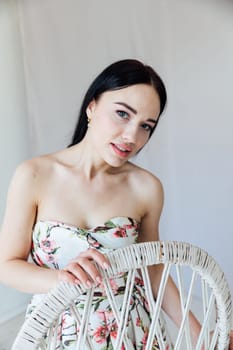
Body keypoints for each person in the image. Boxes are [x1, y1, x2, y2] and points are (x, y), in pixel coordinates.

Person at [0, 59, 232, 349]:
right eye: (122, 114)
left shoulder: (146, 188)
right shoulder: (34, 175)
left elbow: (153, 271)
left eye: (146, 126)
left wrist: (201, 332)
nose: (132, 137)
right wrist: (61, 278)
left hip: (130, 331)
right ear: (92, 106)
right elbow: (7, 266)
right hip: (57, 329)